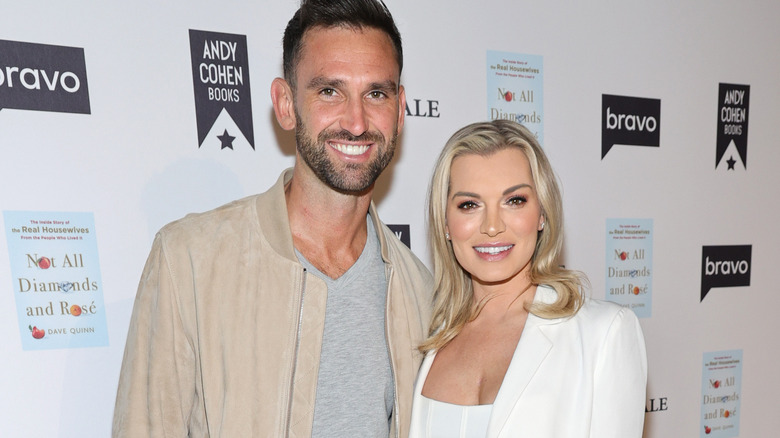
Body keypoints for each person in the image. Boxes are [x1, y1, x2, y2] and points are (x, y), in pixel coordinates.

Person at [112, 1, 432, 436]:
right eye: (329, 91)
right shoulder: (187, 261)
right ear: (285, 104)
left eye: (377, 93)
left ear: (399, 110)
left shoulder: (420, 291)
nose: (357, 123)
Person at [409, 120, 647, 437]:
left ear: (542, 213)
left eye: (514, 200)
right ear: (446, 224)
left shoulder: (603, 334)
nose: (492, 226)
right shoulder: (429, 337)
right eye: (469, 204)